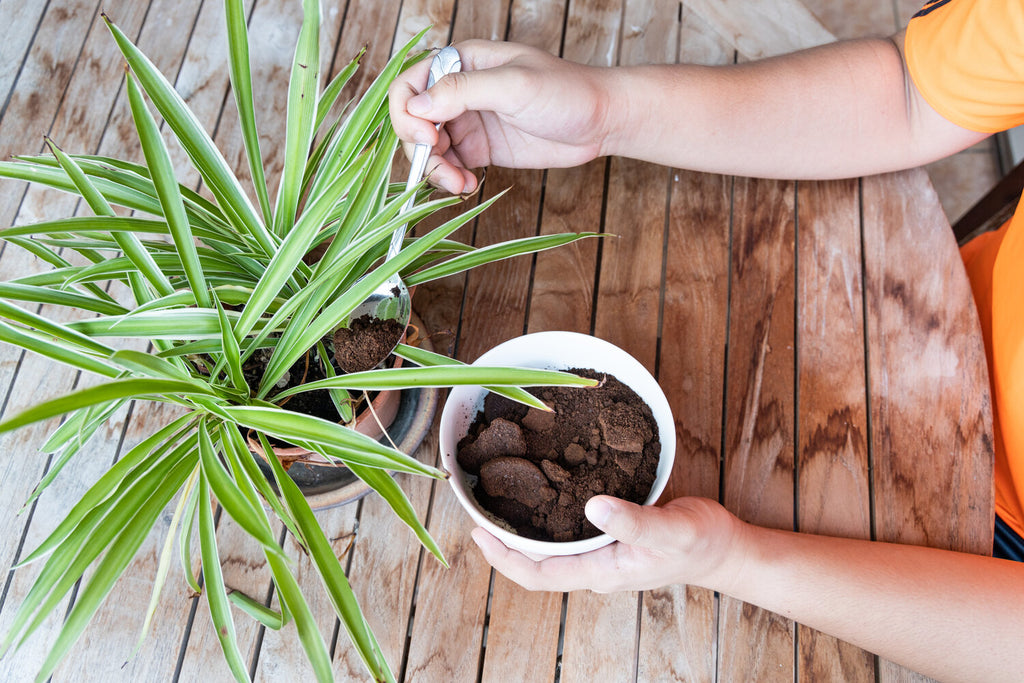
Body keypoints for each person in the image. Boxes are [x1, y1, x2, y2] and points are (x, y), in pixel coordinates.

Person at [388, 1, 1024, 680]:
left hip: (972, 562)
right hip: (936, 318)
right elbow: (909, 92)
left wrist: (728, 558)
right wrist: (605, 110)